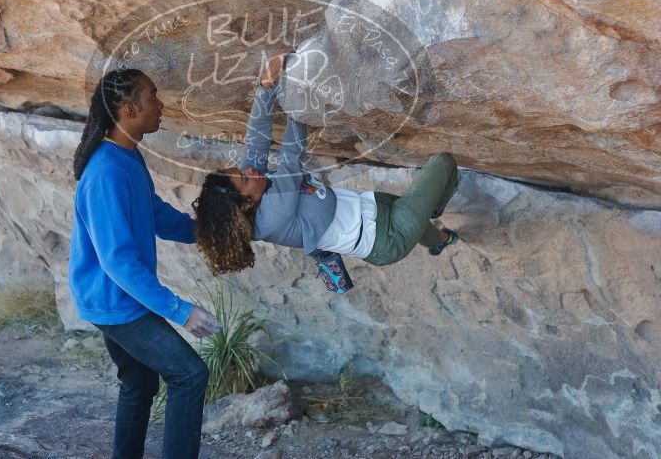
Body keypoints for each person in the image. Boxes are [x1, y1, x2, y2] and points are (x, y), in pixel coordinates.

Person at [192, 50, 460, 293]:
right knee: (444, 164)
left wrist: (266, 86)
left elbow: (256, 141)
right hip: (385, 238)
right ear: (246, 205)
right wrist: (296, 96)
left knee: (420, 220)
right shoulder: (272, 217)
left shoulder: (254, 188)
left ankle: (439, 241)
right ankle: (435, 207)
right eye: (244, 177)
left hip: (372, 206)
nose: (249, 169)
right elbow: (290, 158)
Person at [69, 68, 221, 459]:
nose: (161, 104)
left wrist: (204, 231)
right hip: (116, 303)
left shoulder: (126, 157)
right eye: (152, 96)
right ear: (128, 107)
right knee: (190, 374)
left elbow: (153, 212)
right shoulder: (105, 172)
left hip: (120, 298)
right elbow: (117, 262)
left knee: (139, 384)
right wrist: (181, 311)